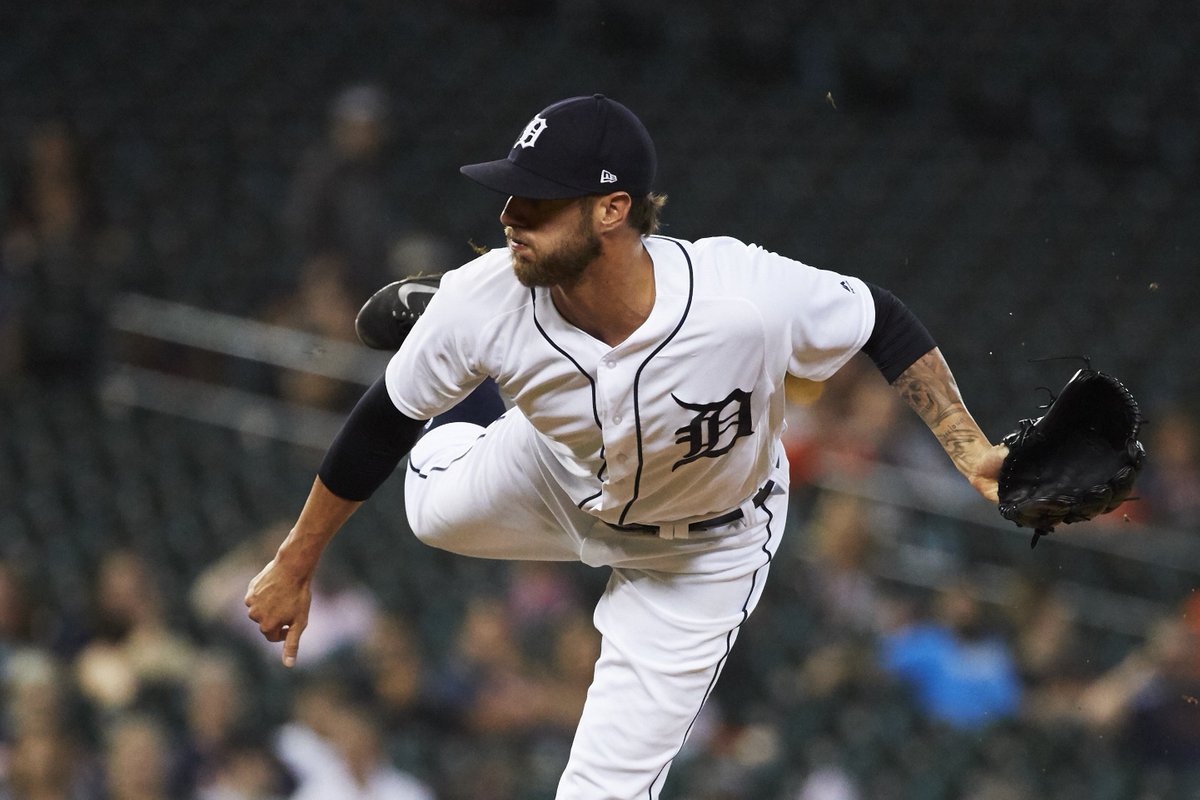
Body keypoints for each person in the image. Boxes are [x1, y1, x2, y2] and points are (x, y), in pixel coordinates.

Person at [245, 94, 1006, 798]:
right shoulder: (494, 293)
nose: (509, 214)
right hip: (555, 471)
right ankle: (445, 341)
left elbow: (879, 318)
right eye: (511, 195)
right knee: (427, 510)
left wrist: (969, 448)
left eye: (537, 200)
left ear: (612, 209)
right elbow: (383, 420)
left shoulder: (741, 296)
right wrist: (295, 560)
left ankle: (447, 343)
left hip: (702, 553)